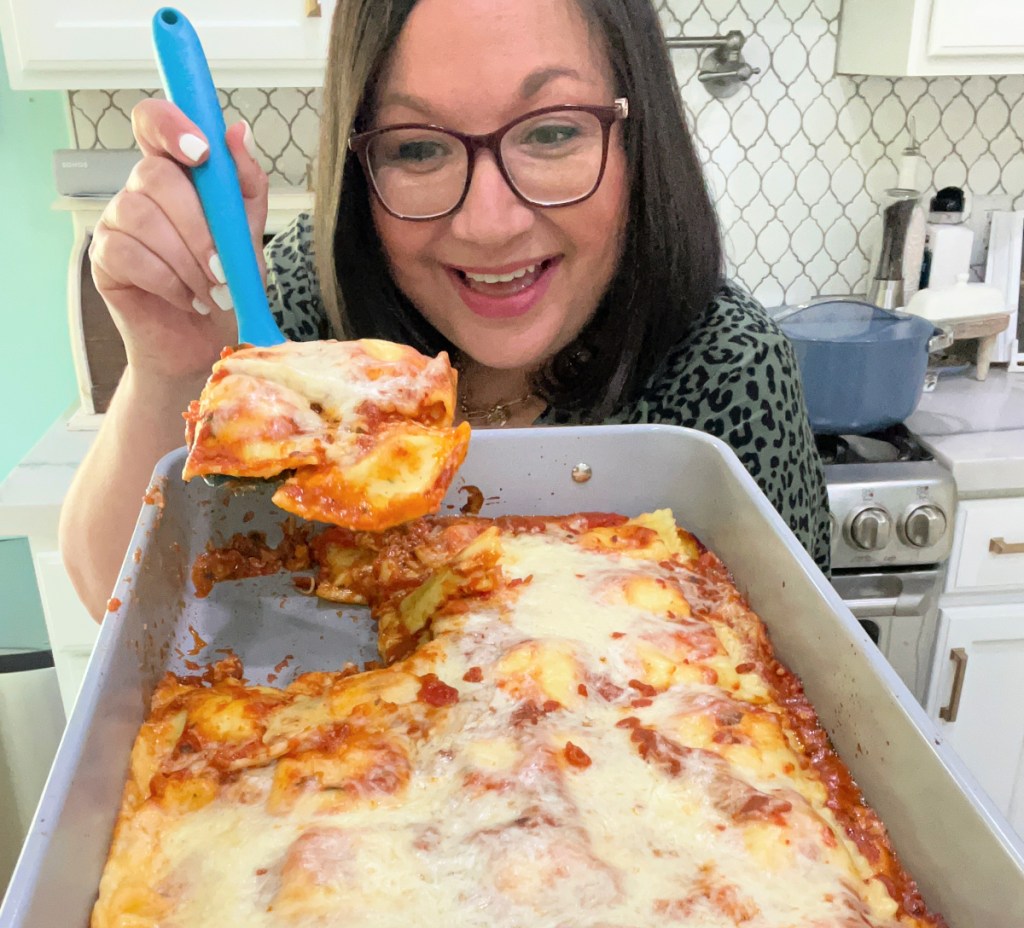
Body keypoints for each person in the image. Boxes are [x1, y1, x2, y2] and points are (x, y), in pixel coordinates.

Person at [60, 0, 830, 620]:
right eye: (418, 148)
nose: (489, 224)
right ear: (361, 163)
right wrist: (168, 368)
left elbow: (798, 662)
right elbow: (113, 600)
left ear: (640, 142)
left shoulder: (730, 366)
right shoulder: (293, 309)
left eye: (553, 132)